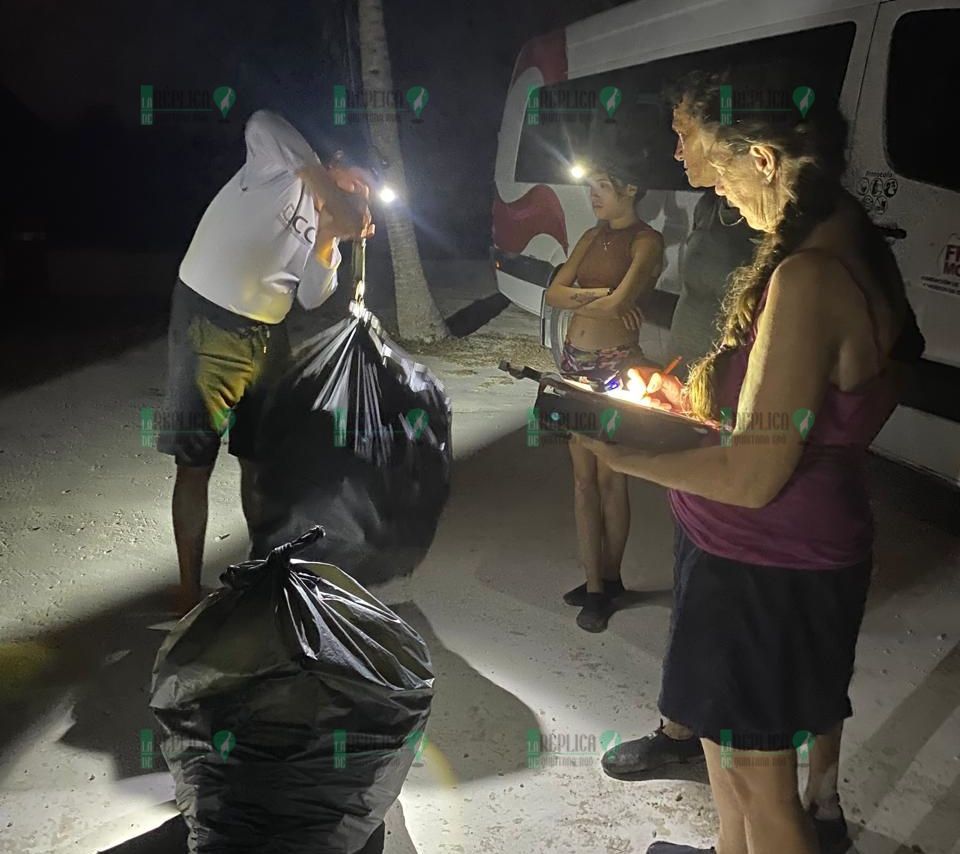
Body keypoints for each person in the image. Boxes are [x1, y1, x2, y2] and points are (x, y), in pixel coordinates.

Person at [573, 72, 919, 854]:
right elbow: (841, 395)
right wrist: (702, 407)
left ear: (760, 158)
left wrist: (623, 451)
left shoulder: (807, 276)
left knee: (763, 796)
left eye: (691, 140)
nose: (679, 155)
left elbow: (755, 476)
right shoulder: (842, 232)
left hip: (763, 567)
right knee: (729, 769)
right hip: (769, 556)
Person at [158, 109, 373, 614]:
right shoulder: (279, 166)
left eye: (367, 191)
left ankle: (261, 580)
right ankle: (188, 591)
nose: (360, 194)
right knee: (195, 460)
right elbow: (261, 121)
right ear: (337, 163)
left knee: (259, 462)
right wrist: (330, 194)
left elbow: (315, 298)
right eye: (359, 180)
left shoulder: (331, 225)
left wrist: (329, 236)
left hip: (266, 333)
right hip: (205, 318)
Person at [544, 158, 664, 632]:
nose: (592, 195)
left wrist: (590, 296)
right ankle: (595, 580)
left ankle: (606, 584)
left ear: (630, 187)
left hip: (615, 364)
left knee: (613, 476)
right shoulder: (593, 237)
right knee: (581, 480)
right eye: (590, 187)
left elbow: (618, 302)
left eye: (601, 186)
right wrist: (602, 295)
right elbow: (554, 294)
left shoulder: (647, 241)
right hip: (574, 363)